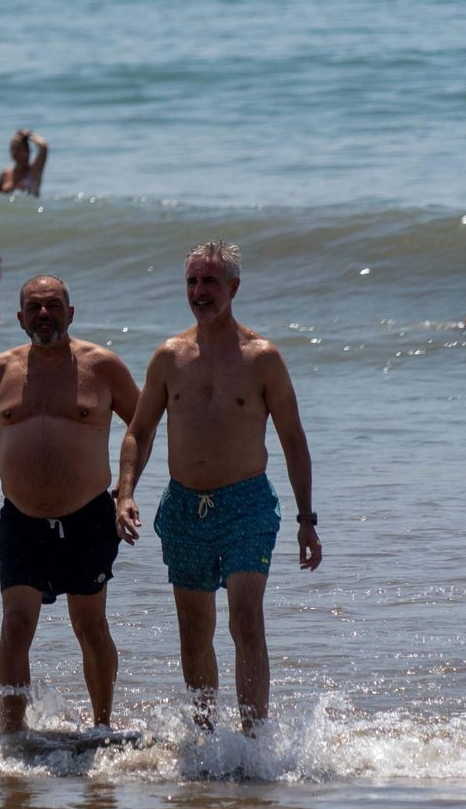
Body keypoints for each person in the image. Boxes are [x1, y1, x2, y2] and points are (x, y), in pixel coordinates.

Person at [114, 240, 321, 733]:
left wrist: (306, 521)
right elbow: (138, 432)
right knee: (194, 631)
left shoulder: (262, 358)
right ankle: (205, 740)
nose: (199, 292)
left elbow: (293, 440)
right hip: (184, 506)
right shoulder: (169, 357)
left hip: (246, 504)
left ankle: (253, 742)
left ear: (233, 287)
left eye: (209, 281)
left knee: (246, 621)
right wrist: (124, 493)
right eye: (191, 281)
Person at [0, 276, 140, 733]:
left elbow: (142, 426)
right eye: (35, 307)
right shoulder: (0, 370)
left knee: (90, 626)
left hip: (87, 518)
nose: (45, 314)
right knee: (16, 626)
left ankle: (102, 726)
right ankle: (12, 734)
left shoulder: (101, 366)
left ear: (71, 312)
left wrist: (126, 491)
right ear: (21, 318)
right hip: (20, 520)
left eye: (54, 306)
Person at [0, 130, 48, 196]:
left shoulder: (34, 171)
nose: (15, 153)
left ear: (27, 152)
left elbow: (43, 146)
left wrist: (29, 135)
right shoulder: (6, 174)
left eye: (18, 149)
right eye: (12, 149)